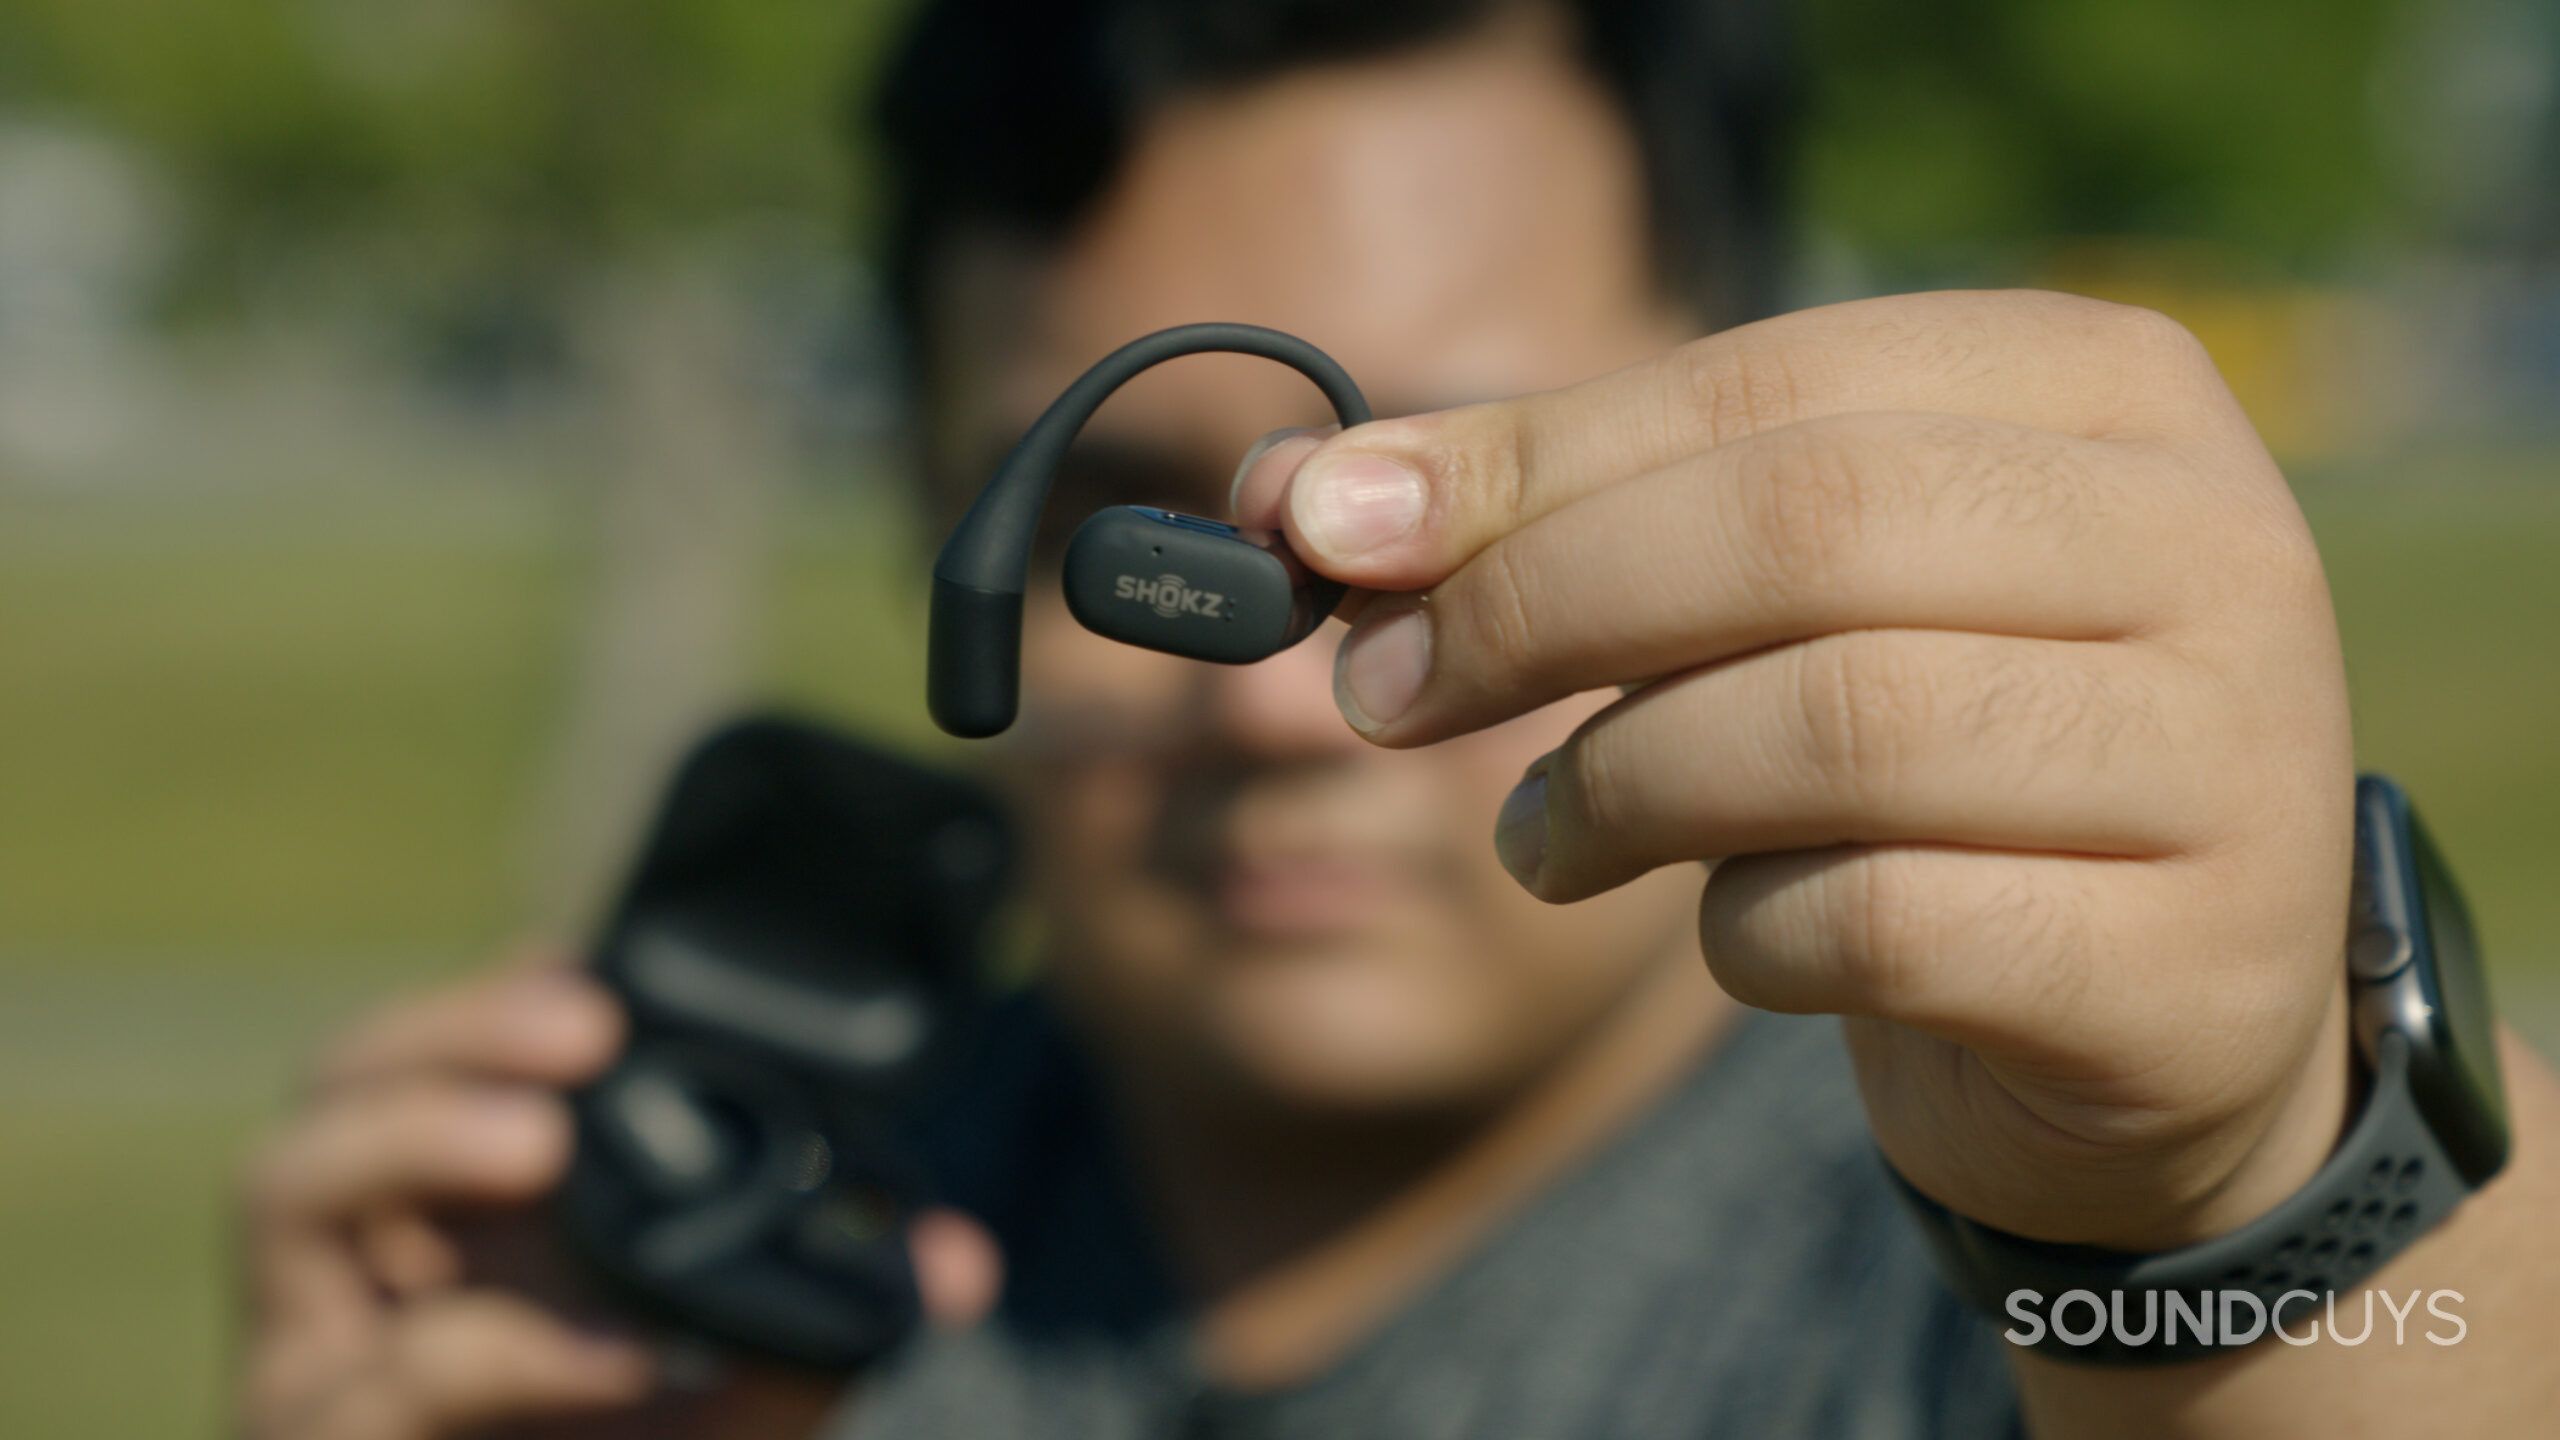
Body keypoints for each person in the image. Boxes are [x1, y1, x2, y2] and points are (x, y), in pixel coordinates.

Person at [234, 1, 2560, 1437]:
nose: (1268, 718)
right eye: (1107, 525)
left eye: (1426, 516)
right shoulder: (731, 1282)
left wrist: (2237, 1182)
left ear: (1737, 446)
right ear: (933, 510)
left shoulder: (2005, 1202)